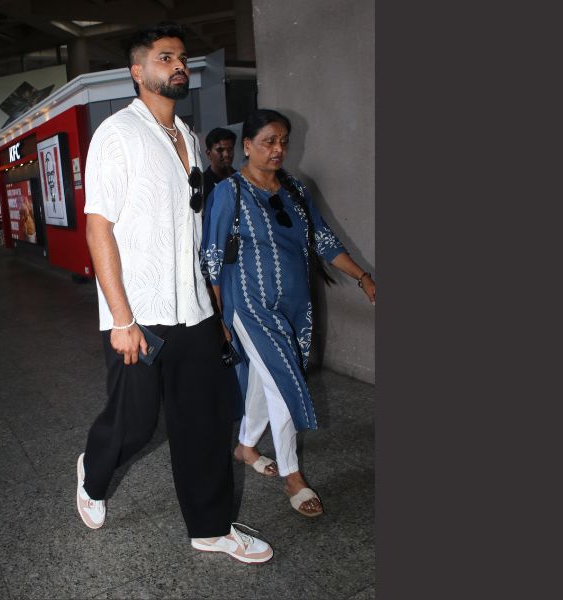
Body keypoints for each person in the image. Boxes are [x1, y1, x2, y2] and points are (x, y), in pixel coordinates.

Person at [77, 22, 273, 564]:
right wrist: (121, 319)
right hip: (138, 313)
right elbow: (98, 227)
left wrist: (212, 301)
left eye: (182, 57)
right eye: (165, 58)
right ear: (137, 71)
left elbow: (191, 228)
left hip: (194, 310)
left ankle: (210, 528)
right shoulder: (117, 133)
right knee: (136, 423)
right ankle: (93, 474)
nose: (179, 65)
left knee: (204, 422)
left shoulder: (186, 136)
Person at [203, 108, 376, 518]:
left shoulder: (295, 189)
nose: (278, 149)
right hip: (250, 304)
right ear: (247, 146)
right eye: (268, 142)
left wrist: (363, 277)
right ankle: (292, 475)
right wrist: (218, 317)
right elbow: (212, 257)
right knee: (284, 383)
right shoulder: (229, 192)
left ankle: (246, 446)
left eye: (283, 141)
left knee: (265, 379)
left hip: (295, 306)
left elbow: (324, 240)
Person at [201, 127, 237, 231]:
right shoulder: (201, 185)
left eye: (230, 149)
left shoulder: (242, 180)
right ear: (208, 153)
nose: (226, 154)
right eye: (220, 150)